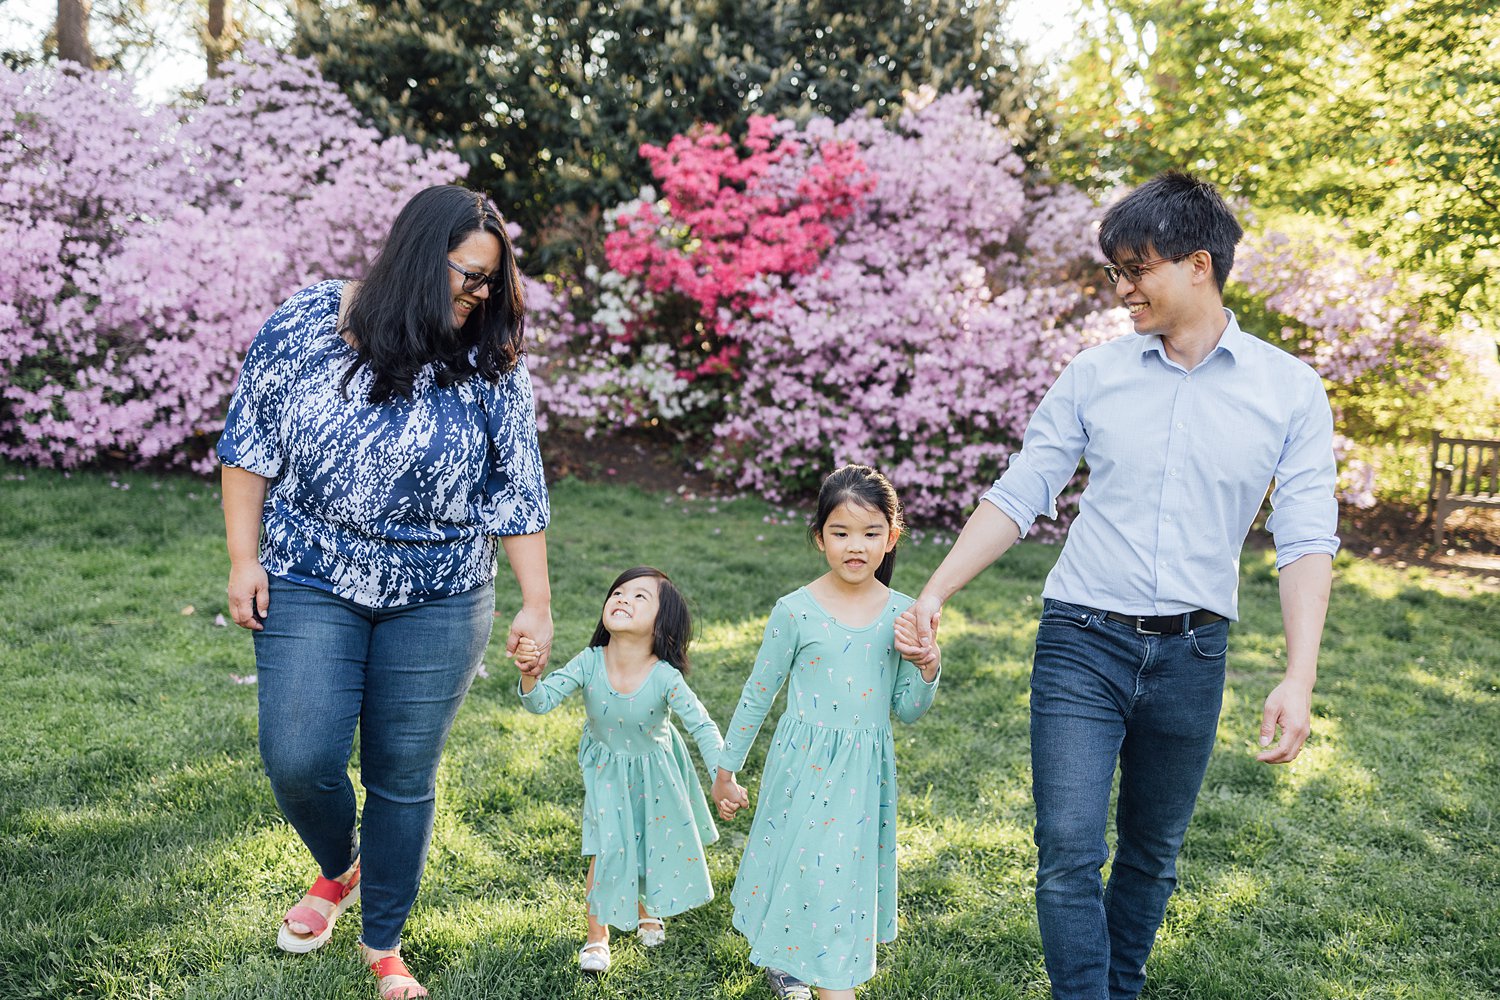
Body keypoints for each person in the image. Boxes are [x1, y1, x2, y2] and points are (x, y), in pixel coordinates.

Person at [898, 170, 1338, 999]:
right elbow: (1025, 487)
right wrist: (936, 590)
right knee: (1067, 847)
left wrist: (1298, 674)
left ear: (1198, 264)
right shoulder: (1094, 374)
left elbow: (1308, 538)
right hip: (1081, 640)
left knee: (1151, 855)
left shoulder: (1289, 390)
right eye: (1114, 272)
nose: (1121, 290)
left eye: (1135, 270)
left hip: (1195, 652)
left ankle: (1118, 989)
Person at [217, 184, 552, 1000]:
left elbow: (518, 487)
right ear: (413, 258)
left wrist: (536, 604)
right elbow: (250, 438)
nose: (480, 296)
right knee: (299, 756)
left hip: (440, 590)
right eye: (467, 277)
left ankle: (383, 944)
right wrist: (242, 557)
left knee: (403, 773)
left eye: (490, 283)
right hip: (310, 573)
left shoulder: (488, 360)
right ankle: (342, 866)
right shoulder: (307, 321)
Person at [711, 465, 942, 1000]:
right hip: (802, 767)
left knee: (836, 873)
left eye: (869, 533)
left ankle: (812, 969)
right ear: (819, 538)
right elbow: (757, 694)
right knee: (809, 863)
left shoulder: (905, 614)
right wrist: (726, 771)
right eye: (840, 533)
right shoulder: (795, 611)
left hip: (862, 775)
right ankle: (808, 970)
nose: (855, 546)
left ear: (892, 536)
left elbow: (907, 709)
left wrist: (928, 666)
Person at [514, 566, 734, 975]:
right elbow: (541, 702)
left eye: (639, 597)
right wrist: (530, 678)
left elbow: (702, 725)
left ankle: (646, 909)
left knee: (648, 840)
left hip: (658, 772)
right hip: (606, 772)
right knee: (609, 845)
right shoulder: (588, 662)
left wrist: (725, 775)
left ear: (662, 622)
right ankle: (597, 937)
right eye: (618, 592)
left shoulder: (664, 676)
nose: (622, 599)